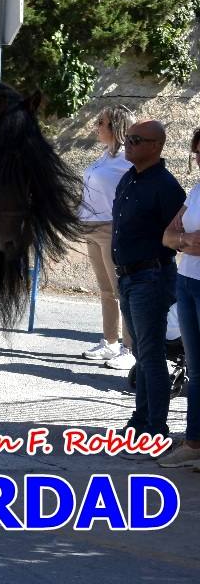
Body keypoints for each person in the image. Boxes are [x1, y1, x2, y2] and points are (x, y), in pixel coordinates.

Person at [111, 119, 184, 441]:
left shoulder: (167, 187)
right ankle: (142, 420)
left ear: (156, 146)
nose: (129, 143)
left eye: (136, 140)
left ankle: (154, 427)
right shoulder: (130, 178)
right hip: (128, 277)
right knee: (142, 351)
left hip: (150, 276)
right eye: (128, 138)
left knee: (151, 354)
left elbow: (176, 236)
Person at [78, 105, 136, 366]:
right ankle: (110, 342)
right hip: (91, 227)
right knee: (105, 290)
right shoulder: (105, 156)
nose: (96, 127)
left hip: (112, 228)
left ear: (115, 126)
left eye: (101, 123)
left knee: (121, 289)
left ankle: (130, 350)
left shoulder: (127, 158)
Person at [159, 127, 200, 468]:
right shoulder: (198, 189)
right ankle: (194, 441)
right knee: (197, 368)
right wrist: (185, 242)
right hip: (187, 281)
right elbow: (168, 235)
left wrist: (181, 240)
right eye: (197, 153)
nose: (199, 159)